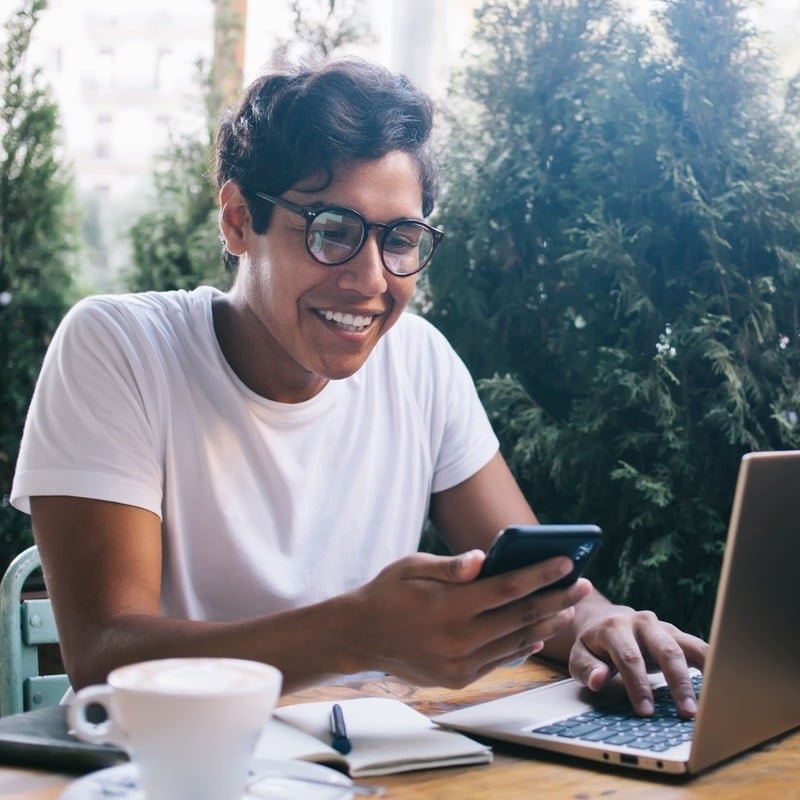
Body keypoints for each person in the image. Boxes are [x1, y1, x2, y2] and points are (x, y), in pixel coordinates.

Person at [11, 58, 705, 717]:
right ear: (237, 220)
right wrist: (354, 634)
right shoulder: (119, 349)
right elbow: (104, 657)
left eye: (399, 239)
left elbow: (538, 587)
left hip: (368, 767)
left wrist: (597, 621)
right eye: (331, 230)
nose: (372, 279)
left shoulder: (420, 362)